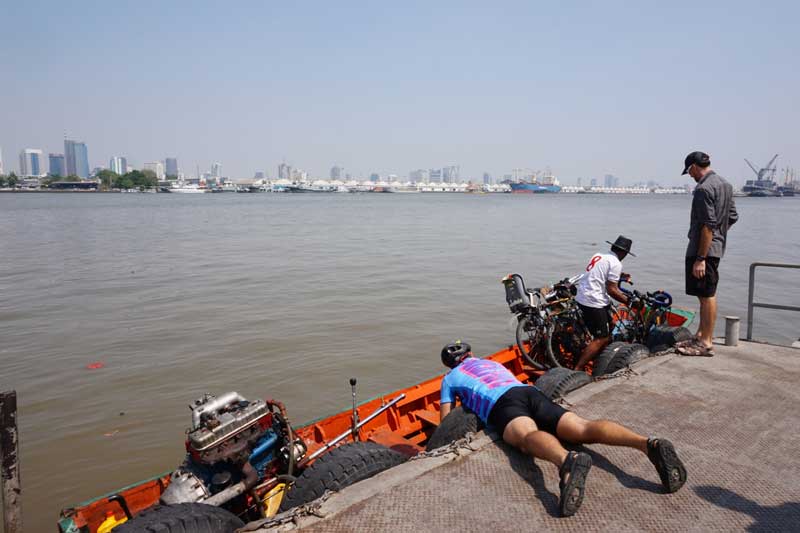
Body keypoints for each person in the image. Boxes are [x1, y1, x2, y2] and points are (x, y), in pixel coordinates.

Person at [438, 341, 687, 517]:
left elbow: (446, 420)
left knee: (526, 437)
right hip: (530, 393)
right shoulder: (490, 363)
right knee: (582, 427)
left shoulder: (449, 379)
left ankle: (566, 461)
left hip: (501, 404)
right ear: (470, 355)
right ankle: (647, 443)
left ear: (450, 364)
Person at [677, 151, 738, 357]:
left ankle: (706, 341)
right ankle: (701, 334)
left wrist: (701, 257)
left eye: (690, 172)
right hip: (715, 247)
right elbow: (733, 216)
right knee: (705, 294)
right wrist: (718, 237)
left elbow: (706, 225)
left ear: (694, 167)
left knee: (706, 295)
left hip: (702, 250)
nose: (691, 176)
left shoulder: (703, 188)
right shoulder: (726, 185)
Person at [572, 236, 634, 371]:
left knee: (610, 324)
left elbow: (599, 273)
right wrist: (629, 302)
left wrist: (620, 275)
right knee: (602, 337)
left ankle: (600, 356)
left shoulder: (599, 255)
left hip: (582, 296)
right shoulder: (616, 263)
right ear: (623, 253)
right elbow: (612, 290)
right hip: (594, 301)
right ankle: (577, 368)